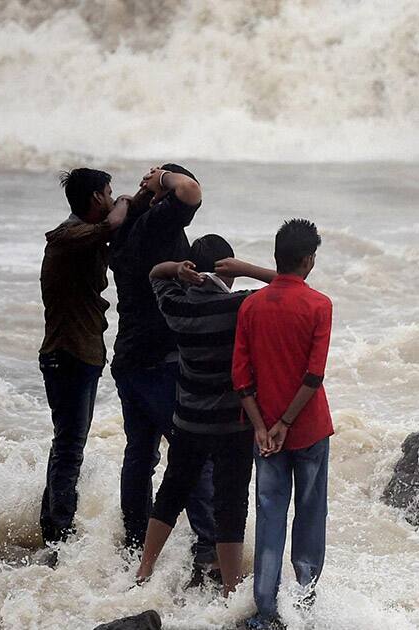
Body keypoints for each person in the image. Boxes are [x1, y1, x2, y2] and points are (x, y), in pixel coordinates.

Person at [136, 235, 276, 595]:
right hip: (232, 424)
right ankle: (231, 587)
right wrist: (246, 268)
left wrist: (176, 271)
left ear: (193, 269)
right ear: (226, 270)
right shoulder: (239, 307)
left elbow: (155, 274)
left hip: (188, 420)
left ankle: (144, 569)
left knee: (171, 491)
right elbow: (289, 286)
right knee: (231, 504)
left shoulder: (178, 307)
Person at [109, 165, 217, 575]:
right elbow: (189, 189)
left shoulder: (128, 226)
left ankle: (135, 543)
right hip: (158, 360)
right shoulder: (155, 222)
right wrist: (164, 177)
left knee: (140, 454)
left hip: (129, 359)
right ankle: (208, 551)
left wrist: (140, 192)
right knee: (192, 452)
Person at [232, 220, 333, 630]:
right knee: (310, 514)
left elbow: (241, 377)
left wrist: (263, 427)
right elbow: (314, 375)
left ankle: (266, 611)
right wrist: (288, 423)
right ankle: (304, 604)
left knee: (270, 515)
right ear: (308, 260)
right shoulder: (319, 305)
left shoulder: (250, 306)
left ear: (277, 256)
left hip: (264, 429)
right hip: (306, 428)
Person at [38, 168, 129, 552]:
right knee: (70, 447)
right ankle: (59, 537)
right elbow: (112, 223)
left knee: (66, 444)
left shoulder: (82, 238)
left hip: (80, 354)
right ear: (96, 198)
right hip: (69, 356)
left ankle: (52, 528)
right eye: (108, 192)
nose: (112, 197)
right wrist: (128, 201)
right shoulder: (70, 236)